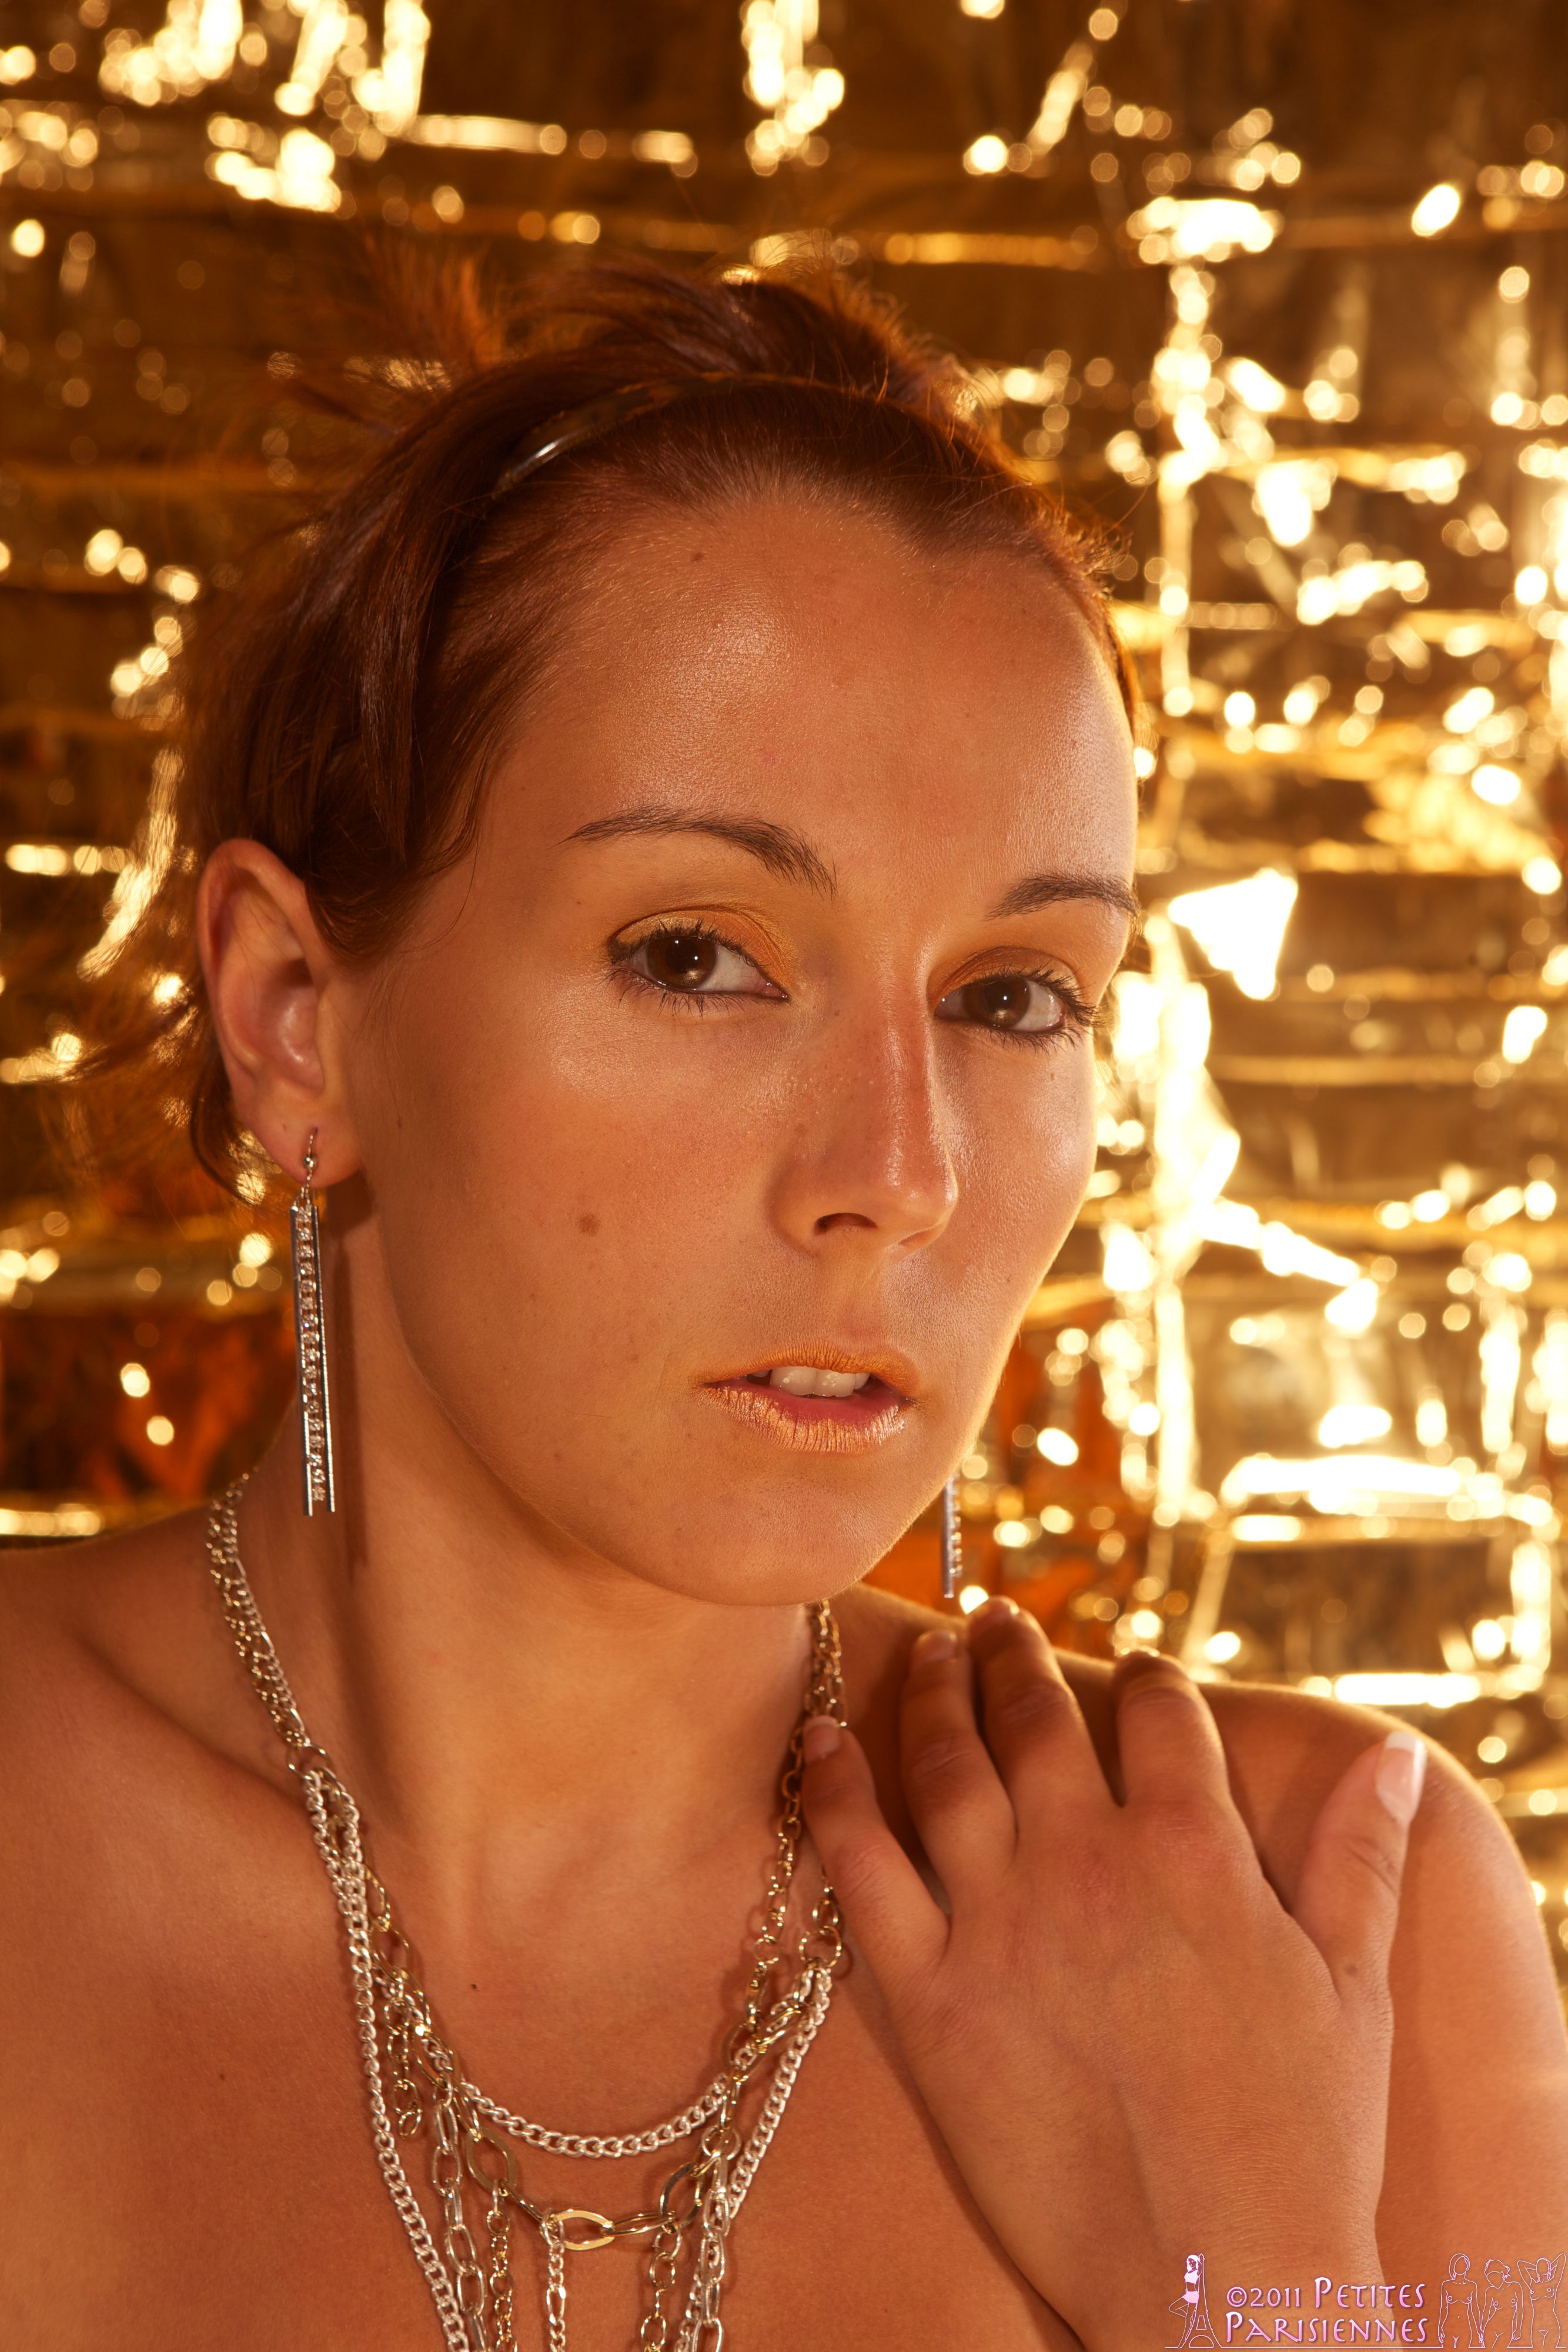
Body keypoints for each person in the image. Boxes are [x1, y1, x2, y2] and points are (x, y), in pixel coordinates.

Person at [0, 256, 1563, 2352]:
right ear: (295, 1012)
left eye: (1014, 996)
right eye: (696, 956)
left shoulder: (1332, 1915)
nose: (898, 1174)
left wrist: (1253, 2265)